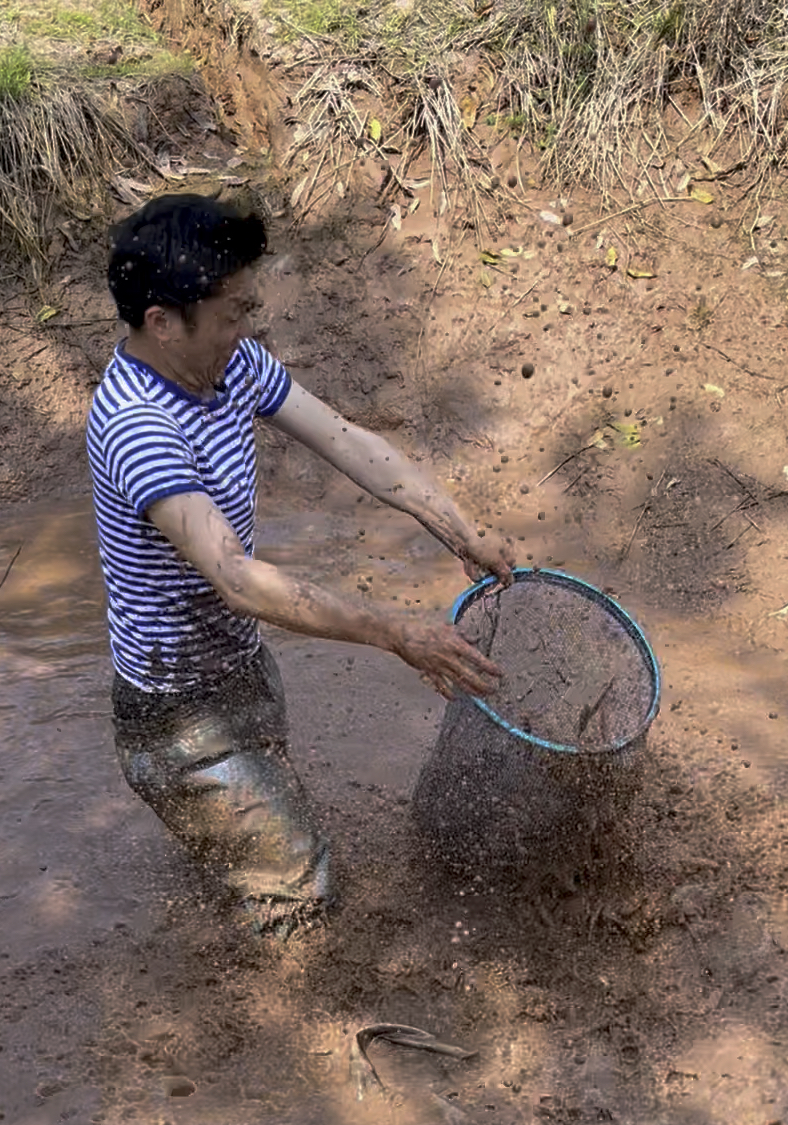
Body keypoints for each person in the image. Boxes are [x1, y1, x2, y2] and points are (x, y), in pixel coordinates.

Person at [87, 192, 513, 937]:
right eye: (231, 314)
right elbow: (236, 577)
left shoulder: (231, 365)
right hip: (175, 719)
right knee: (301, 896)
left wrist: (459, 528)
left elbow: (347, 440)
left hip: (242, 671)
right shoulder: (137, 426)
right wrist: (395, 632)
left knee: (262, 858)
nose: (246, 329)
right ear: (163, 322)